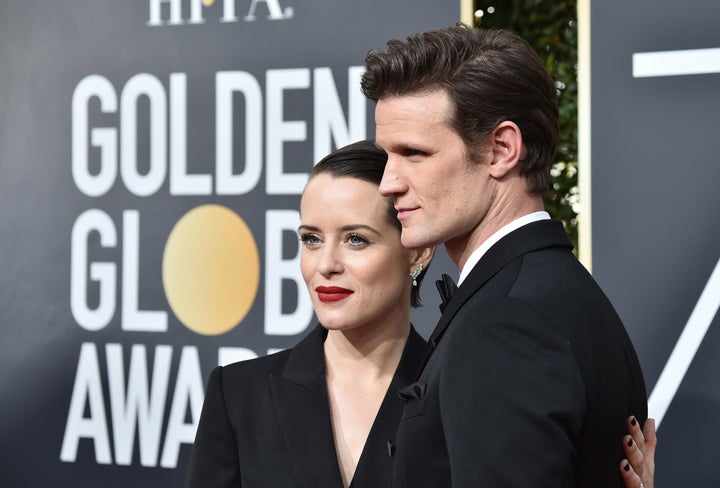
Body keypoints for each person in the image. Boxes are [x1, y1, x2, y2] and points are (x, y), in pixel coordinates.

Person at [184, 141, 653, 487]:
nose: (325, 263)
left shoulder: (469, 388)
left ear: (417, 254)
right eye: (311, 238)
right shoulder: (238, 394)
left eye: (356, 239)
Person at [361, 24, 649, 487]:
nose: (388, 182)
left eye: (413, 153)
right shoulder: (559, 290)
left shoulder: (504, 321)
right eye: (387, 156)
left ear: (501, 150)